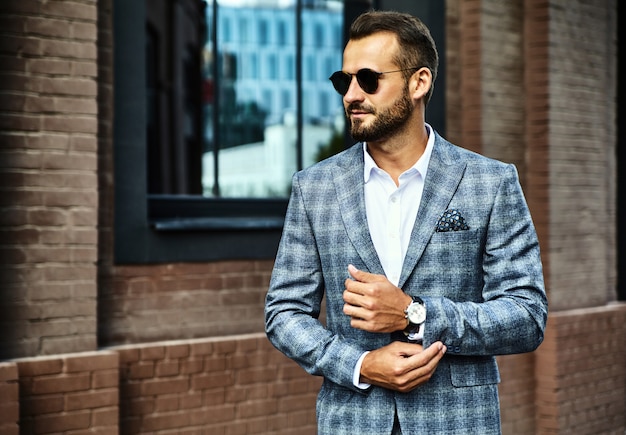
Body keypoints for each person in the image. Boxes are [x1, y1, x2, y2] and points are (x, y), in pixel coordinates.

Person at [265, 9, 548, 435]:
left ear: (419, 83)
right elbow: (284, 312)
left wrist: (415, 315)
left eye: (368, 79)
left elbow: (527, 316)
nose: (351, 95)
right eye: (344, 82)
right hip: (353, 421)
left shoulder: (490, 183)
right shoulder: (315, 187)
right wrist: (359, 364)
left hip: (458, 422)